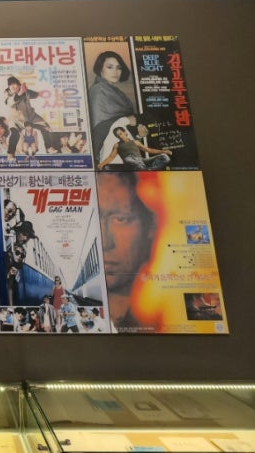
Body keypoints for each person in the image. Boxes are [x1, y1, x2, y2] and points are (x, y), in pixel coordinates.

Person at [97, 172, 156, 329]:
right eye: (93, 219)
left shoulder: (165, 312)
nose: (104, 243)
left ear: (151, 225)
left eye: (121, 219)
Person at [88, 51, 146, 158]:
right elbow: (98, 129)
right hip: (108, 153)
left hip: (124, 149)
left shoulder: (116, 91)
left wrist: (139, 135)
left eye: (118, 68)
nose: (115, 72)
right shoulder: (98, 91)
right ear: (100, 69)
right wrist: (127, 120)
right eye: (109, 67)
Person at [3, 76, 56, 153]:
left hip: (30, 117)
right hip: (16, 120)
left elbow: (33, 94)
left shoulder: (25, 91)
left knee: (45, 127)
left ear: (19, 85)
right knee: (15, 134)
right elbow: (9, 102)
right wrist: (19, 94)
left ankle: (49, 147)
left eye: (14, 84)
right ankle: (10, 153)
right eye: (10, 85)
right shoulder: (7, 93)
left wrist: (39, 94)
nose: (12, 87)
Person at [97, 126, 172, 170]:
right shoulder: (117, 145)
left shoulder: (136, 142)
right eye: (118, 135)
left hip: (141, 161)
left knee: (165, 157)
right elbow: (111, 157)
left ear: (125, 132)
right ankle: (143, 169)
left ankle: (149, 170)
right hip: (131, 162)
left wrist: (163, 151)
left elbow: (149, 150)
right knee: (129, 159)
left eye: (121, 133)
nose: (120, 136)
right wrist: (102, 164)